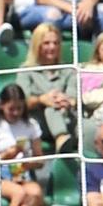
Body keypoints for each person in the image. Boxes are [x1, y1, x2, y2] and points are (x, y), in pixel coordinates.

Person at [20, 21, 80, 155]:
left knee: (89, 126)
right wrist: (42, 99)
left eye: (56, 43)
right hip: (39, 123)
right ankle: (61, 138)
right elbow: (22, 102)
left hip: (68, 117)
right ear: (37, 45)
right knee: (50, 108)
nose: (52, 47)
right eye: (46, 43)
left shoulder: (69, 70)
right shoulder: (26, 71)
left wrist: (65, 100)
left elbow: (74, 96)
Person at [0, 83, 47, 206]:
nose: (16, 112)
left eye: (19, 108)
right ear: (2, 106)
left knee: (36, 193)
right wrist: (5, 156)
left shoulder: (31, 125)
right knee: (18, 193)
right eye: (11, 109)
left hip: (23, 174)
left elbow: (40, 160)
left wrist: (28, 164)